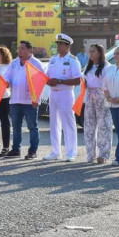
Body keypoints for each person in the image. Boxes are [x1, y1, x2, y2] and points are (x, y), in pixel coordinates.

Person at [2, 40, 46, 159]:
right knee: (16, 127)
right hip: (15, 100)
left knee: (32, 127)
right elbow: (6, 77)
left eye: (22, 48)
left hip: (30, 101)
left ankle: (32, 151)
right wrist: (5, 82)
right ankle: (16, 149)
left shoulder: (36, 64)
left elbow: (41, 82)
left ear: (29, 50)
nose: (19, 51)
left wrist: (36, 98)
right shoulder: (14, 63)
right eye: (19, 48)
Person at [43, 33, 83, 162]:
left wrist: (60, 81)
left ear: (67, 46)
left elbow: (78, 80)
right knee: (54, 123)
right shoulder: (53, 59)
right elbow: (47, 75)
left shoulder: (73, 60)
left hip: (65, 93)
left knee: (68, 123)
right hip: (53, 93)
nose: (58, 46)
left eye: (61, 44)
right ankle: (55, 152)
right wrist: (48, 81)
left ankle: (71, 152)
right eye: (58, 44)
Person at [83, 44, 113, 163]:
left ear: (100, 53)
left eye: (93, 51)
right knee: (89, 126)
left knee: (103, 126)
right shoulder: (88, 66)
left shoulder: (107, 67)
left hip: (102, 97)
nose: (91, 54)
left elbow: (108, 83)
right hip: (90, 97)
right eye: (90, 51)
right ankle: (90, 154)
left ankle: (103, 154)